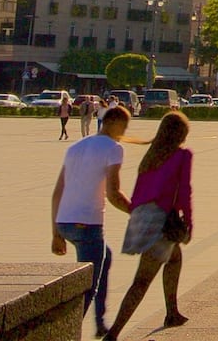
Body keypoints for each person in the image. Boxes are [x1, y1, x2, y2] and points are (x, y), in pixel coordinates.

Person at [105, 111, 194, 340]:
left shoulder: (151, 156)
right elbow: (184, 192)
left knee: (174, 258)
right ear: (181, 133)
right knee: (142, 281)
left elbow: (139, 191)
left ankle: (172, 312)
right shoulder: (182, 155)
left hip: (140, 216)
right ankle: (113, 334)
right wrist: (188, 222)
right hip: (159, 219)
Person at [50, 106, 134, 335]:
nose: (124, 132)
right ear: (114, 123)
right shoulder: (113, 148)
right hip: (87, 225)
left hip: (65, 222)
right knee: (87, 287)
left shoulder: (76, 147)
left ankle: (99, 323)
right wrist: (136, 212)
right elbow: (113, 193)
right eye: (124, 126)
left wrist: (56, 233)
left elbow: (57, 192)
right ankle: (65, 334)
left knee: (105, 259)